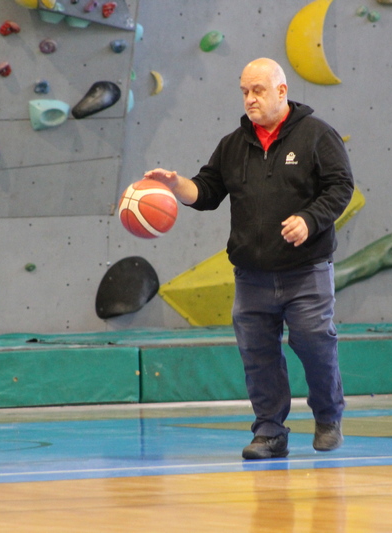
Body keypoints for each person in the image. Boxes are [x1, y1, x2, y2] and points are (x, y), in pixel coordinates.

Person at [144, 57, 354, 460]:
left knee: (314, 341)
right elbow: (206, 192)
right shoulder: (233, 144)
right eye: (244, 91)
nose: (250, 99)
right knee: (258, 356)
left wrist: (309, 220)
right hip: (252, 275)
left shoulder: (317, 135)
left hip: (306, 271)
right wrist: (176, 185)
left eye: (258, 90)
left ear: (282, 91)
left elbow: (340, 186)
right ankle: (270, 432)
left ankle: (328, 417)